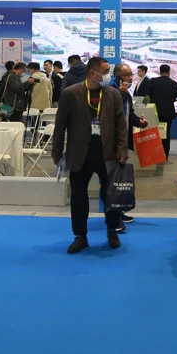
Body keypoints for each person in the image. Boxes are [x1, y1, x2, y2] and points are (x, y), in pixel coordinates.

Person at [52, 56, 129, 253]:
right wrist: (57, 154)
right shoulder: (71, 93)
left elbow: (121, 125)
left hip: (108, 154)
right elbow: (60, 126)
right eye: (105, 72)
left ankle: (112, 230)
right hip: (80, 155)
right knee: (78, 197)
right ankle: (80, 236)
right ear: (93, 73)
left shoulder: (113, 94)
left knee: (110, 196)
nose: (108, 75)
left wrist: (122, 150)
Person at [112, 63, 150, 230]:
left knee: (120, 180)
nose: (130, 78)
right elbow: (111, 113)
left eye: (131, 75)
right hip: (112, 142)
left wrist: (139, 122)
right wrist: (120, 94)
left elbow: (128, 115)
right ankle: (113, 219)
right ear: (118, 76)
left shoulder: (126, 93)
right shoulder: (111, 92)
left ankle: (119, 212)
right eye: (126, 75)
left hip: (124, 141)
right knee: (112, 181)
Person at [149, 64, 177, 158]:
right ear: (169, 72)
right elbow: (175, 97)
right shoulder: (174, 83)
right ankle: (165, 154)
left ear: (160, 72)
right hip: (168, 113)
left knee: (155, 133)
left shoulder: (153, 81)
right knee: (166, 133)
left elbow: (148, 95)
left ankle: (155, 154)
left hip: (155, 112)